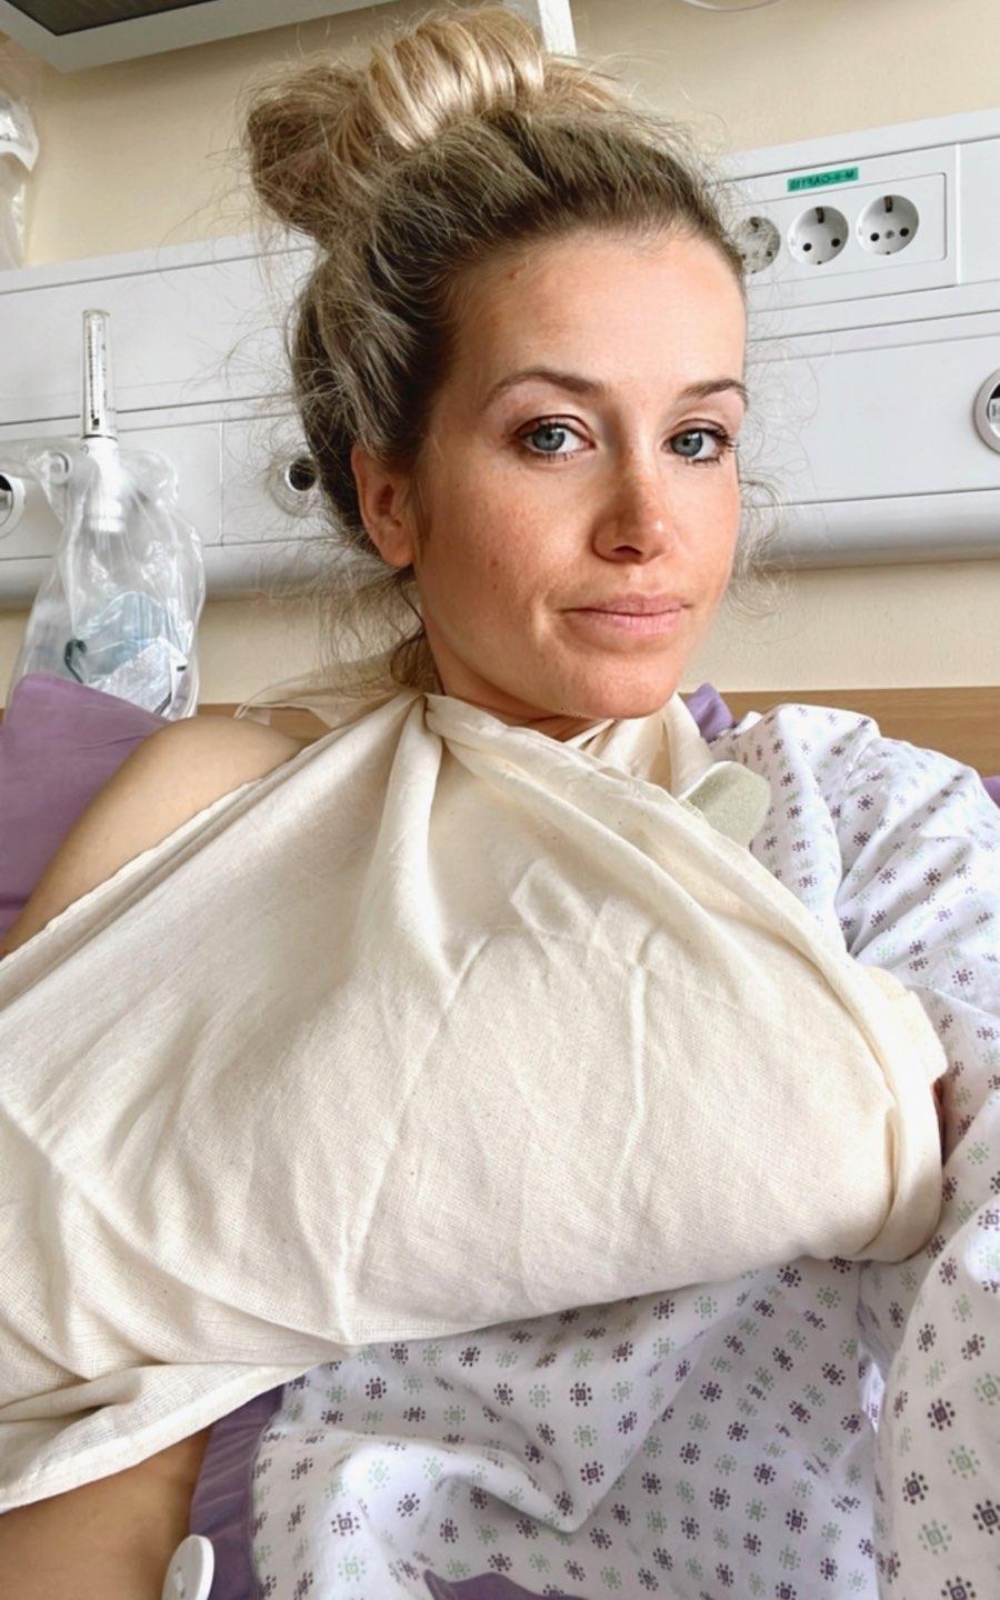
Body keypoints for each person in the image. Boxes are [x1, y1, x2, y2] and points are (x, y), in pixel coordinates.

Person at [0, 8, 996, 1598]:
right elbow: (44, 1224)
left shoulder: (852, 815)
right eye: (552, 435)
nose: (649, 520)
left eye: (699, 438)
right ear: (390, 492)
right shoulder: (216, 793)